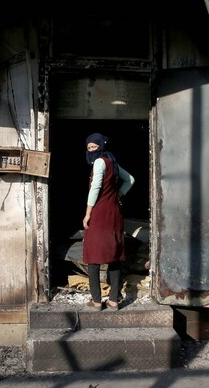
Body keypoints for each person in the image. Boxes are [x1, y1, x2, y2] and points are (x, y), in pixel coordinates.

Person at [82, 133, 135, 311]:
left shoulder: (99, 162)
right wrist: (119, 194)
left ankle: (97, 301)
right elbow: (130, 180)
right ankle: (113, 300)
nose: (91, 150)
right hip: (115, 213)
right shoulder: (112, 162)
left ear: (101, 146)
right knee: (114, 256)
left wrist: (88, 213)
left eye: (94, 147)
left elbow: (96, 187)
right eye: (88, 147)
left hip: (100, 213)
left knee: (93, 256)